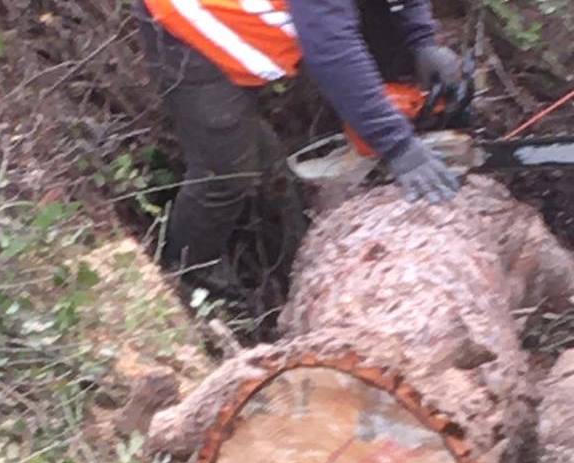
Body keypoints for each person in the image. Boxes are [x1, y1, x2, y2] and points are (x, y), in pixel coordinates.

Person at [135, 0, 463, 288]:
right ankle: (190, 273)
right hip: (189, 30)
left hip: (243, 23)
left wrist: (420, 40)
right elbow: (332, 49)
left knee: (264, 163)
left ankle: (289, 245)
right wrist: (397, 147)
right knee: (224, 174)